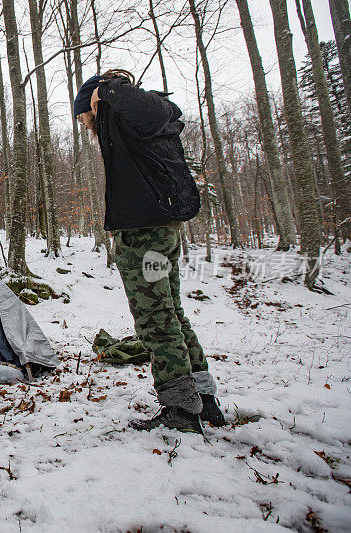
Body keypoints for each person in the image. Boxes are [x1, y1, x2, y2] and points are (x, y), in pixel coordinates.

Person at [74, 69, 225, 433]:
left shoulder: (133, 112)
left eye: (84, 116)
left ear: (95, 106)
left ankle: (181, 409)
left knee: (155, 320)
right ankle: (203, 400)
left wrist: (106, 88)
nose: (84, 125)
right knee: (170, 312)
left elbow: (158, 111)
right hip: (157, 233)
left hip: (144, 238)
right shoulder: (129, 133)